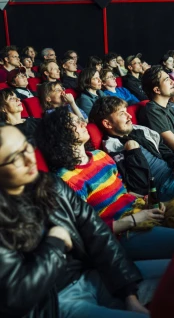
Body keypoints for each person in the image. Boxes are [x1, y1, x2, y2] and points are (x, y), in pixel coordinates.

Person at [0, 123, 158, 317]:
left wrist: (129, 294)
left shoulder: (50, 184)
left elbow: (97, 232)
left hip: (96, 273)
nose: (29, 159)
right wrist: (55, 244)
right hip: (57, 300)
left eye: (27, 146)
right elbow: (16, 295)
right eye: (15, 157)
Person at [36, 107, 174, 262]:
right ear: (60, 133)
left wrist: (148, 202)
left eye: (81, 120)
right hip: (122, 233)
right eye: (75, 122)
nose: (83, 123)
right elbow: (86, 231)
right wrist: (135, 219)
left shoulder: (100, 155)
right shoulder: (66, 179)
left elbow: (122, 193)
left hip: (139, 209)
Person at [90, 96, 174, 202]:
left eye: (126, 111)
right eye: (122, 114)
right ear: (107, 124)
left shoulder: (138, 130)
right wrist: (133, 152)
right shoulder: (113, 149)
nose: (129, 116)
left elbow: (164, 150)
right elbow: (139, 185)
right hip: (167, 187)